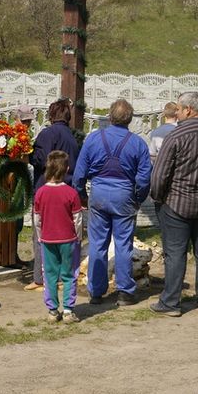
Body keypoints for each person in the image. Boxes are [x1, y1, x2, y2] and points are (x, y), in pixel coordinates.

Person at [149, 92, 198, 316]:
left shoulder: (177, 135)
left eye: (179, 108)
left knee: (175, 252)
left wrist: (158, 196)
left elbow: (160, 174)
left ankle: (171, 301)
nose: (177, 112)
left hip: (177, 202)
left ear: (188, 110)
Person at [73, 99, 151, 306]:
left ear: (109, 117)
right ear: (130, 119)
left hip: (98, 192)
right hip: (125, 194)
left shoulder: (93, 139)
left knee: (98, 244)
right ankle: (125, 291)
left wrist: (82, 195)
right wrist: (138, 198)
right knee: (123, 244)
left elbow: (79, 173)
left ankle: (96, 292)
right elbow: (144, 178)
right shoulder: (138, 143)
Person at [26, 99, 80, 291]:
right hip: (68, 189)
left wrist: (28, 153)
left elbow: (42, 159)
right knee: (63, 234)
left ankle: (41, 277)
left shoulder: (48, 134)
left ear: (51, 115)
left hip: (48, 188)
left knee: (41, 234)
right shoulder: (71, 137)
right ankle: (60, 275)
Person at [34, 151, 82, 323]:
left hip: (47, 239)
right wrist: (78, 237)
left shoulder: (40, 193)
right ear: (67, 169)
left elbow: (37, 219)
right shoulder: (71, 193)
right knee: (70, 274)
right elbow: (77, 219)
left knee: (50, 275)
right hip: (68, 239)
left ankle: (52, 310)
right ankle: (68, 310)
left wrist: (41, 236)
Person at [12, 104, 36, 268]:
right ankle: (11, 255)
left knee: (18, 220)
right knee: (14, 219)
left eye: (28, 121)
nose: (26, 125)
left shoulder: (24, 135)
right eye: (24, 120)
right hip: (13, 180)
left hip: (21, 178)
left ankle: (14, 254)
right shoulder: (11, 135)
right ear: (16, 118)